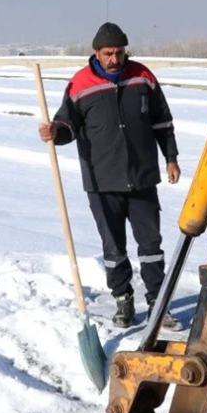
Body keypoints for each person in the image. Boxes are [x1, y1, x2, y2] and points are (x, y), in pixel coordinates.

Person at [38, 22, 182, 330]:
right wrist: (55, 132)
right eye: (108, 54)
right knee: (113, 248)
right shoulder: (80, 84)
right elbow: (68, 125)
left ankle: (158, 304)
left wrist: (171, 157)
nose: (115, 59)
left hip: (142, 177)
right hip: (102, 181)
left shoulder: (142, 77)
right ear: (96, 53)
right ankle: (123, 299)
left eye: (119, 52)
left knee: (151, 245)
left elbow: (162, 121)